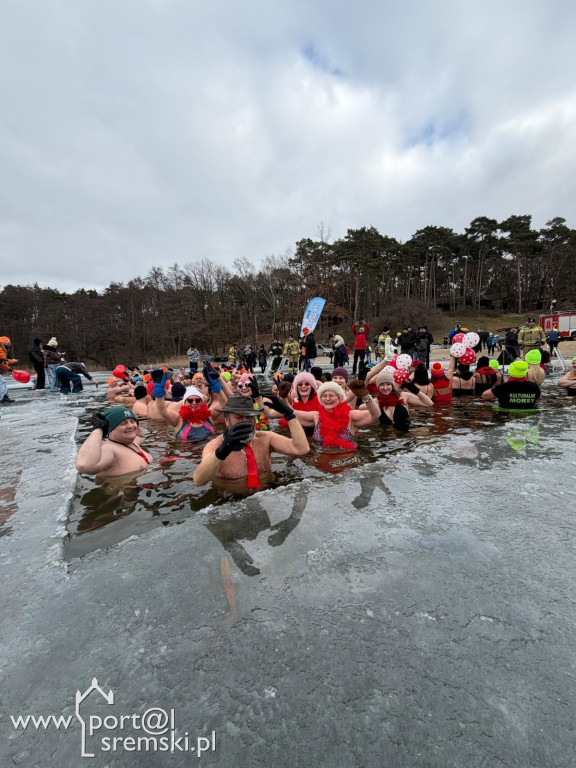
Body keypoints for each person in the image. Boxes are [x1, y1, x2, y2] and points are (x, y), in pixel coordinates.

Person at [193, 395, 309, 487]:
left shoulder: (265, 438)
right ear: (227, 420)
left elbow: (301, 449)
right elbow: (199, 481)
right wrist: (224, 449)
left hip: (266, 493)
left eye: (249, 417)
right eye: (239, 417)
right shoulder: (215, 445)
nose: (245, 421)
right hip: (230, 500)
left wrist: (290, 415)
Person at [291, 381, 381, 450]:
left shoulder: (350, 415)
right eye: (324, 396)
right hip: (321, 460)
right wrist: (284, 399)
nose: (327, 399)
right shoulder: (316, 416)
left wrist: (365, 396)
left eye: (331, 395)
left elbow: (375, 415)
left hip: (345, 461)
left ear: (339, 398)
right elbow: (291, 414)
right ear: (320, 399)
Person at [152, 366, 225, 441]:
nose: (194, 403)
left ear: (201, 402)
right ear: (184, 402)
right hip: (186, 448)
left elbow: (223, 404)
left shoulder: (209, 415)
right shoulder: (179, 419)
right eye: (190, 400)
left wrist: (216, 387)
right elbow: (163, 411)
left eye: (197, 400)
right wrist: (159, 391)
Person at [75, 406, 152, 477]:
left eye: (132, 421)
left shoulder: (133, 442)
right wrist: (98, 429)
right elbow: (84, 465)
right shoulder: (110, 450)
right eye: (123, 423)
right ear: (110, 429)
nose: (130, 426)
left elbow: (141, 436)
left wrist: (135, 424)